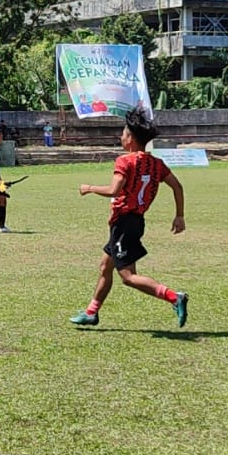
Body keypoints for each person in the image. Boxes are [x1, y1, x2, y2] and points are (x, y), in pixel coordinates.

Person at [69, 108, 189, 328]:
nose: (120, 138)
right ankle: (91, 312)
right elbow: (177, 187)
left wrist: (90, 188)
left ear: (131, 139)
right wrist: (179, 216)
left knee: (128, 277)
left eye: (123, 134)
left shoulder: (125, 161)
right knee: (106, 266)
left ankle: (174, 297)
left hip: (124, 223)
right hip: (135, 222)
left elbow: (114, 190)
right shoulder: (156, 164)